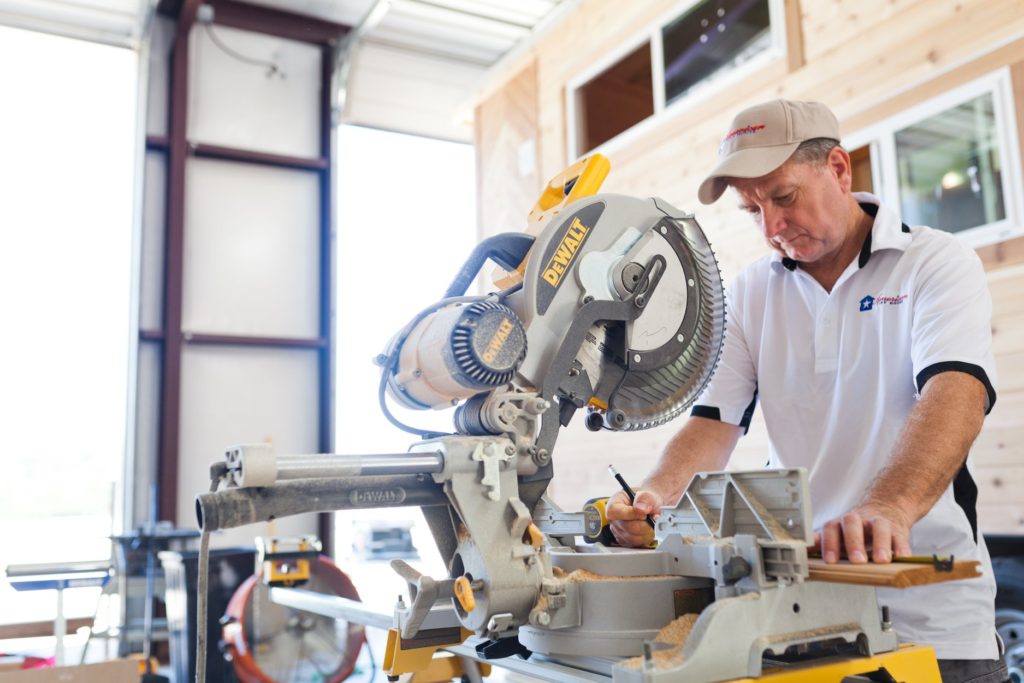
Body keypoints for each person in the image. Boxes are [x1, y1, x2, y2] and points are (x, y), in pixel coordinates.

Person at [607, 99, 1006, 682]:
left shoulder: (933, 262)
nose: (771, 228)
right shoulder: (750, 295)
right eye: (753, 209)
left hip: (932, 619)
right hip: (802, 619)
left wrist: (888, 509)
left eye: (784, 197)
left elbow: (956, 391)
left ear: (839, 169)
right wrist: (655, 495)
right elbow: (714, 422)